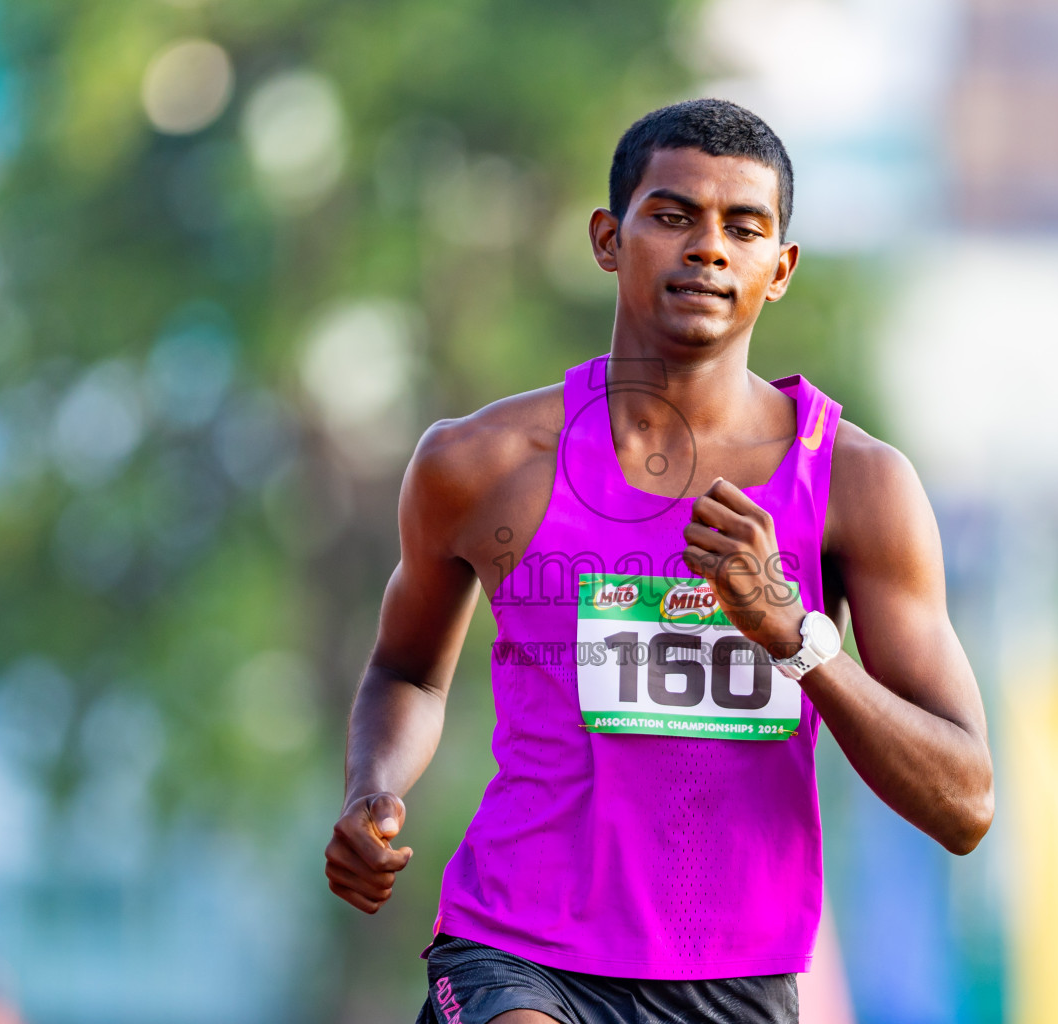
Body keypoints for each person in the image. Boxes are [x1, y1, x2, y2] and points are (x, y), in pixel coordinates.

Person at [323, 98, 994, 1024]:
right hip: (518, 944)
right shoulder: (483, 463)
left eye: (743, 227)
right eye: (673, 216)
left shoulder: (857, 485)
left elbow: (964, 801)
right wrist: (375, 788)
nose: (708, 249)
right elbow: (407, 671)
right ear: (609, 238)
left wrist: (793, 634)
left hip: (735, 975)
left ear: (781, 268)